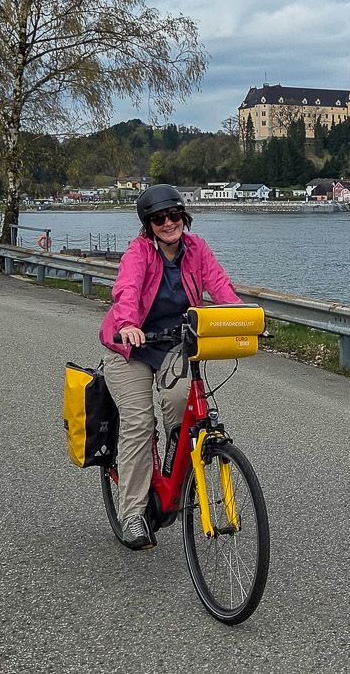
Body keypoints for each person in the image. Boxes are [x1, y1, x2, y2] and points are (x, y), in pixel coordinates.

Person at [98, 184, 241, 549]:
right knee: (139, 422)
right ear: (148, 225)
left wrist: (244, 318)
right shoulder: (139, 253)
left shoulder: (197, 249)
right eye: (158, 218)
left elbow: (221, 288)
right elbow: (126, 291)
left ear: (183, 217)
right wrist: (128, 325)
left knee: (185, 403)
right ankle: (132, 513)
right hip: (130, 348)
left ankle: (175, 461)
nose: (168, 223)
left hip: (174, 346)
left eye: (173, 215)